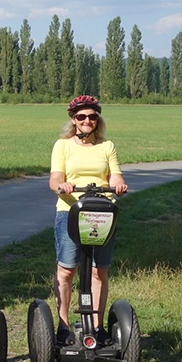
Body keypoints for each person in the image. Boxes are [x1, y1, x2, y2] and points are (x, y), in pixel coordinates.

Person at [48, 95, 129, 347]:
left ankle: (96, 324)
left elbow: (115, 175)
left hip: (102, 213)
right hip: (70, 211)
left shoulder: (107, 146)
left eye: (92, 116)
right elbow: (54, 180)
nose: (87, 121)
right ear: (73, 119)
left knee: (98, 270)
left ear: (98, 120)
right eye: (81, 116)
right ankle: (63, 325)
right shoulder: (62, 146)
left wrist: (117, 184)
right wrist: (62, 185)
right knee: (67, 270)